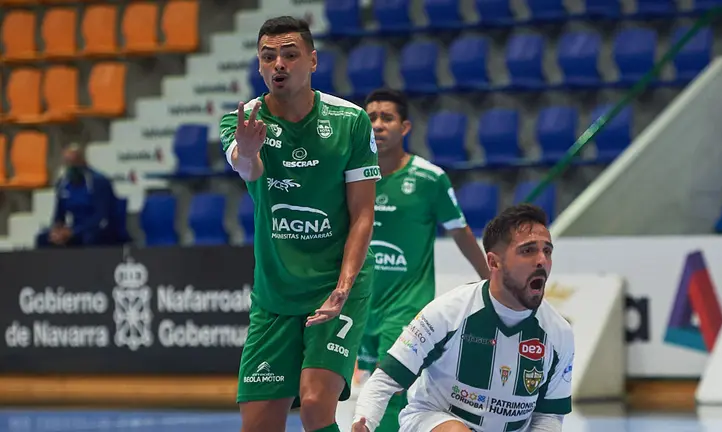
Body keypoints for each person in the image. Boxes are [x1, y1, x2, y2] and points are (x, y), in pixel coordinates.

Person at [218, 16, 381, 432]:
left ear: (312, 60)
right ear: (258, 66)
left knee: (313, 404)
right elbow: (247, 168)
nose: (279, 64)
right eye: (268, 56)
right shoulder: (243, 121)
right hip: (276, 294)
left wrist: (343, 287)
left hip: (336, 286)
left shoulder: (350, 121)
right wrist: (248, 152)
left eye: (290, 55)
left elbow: (363, 212)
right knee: (258, 425)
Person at [351, 204, 575, 432]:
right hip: (435, 419)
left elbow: (549, 415)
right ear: (493, 262)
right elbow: (386, 379)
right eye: (528, 251)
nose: (542, 261)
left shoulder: (559, 333)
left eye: (547, 251)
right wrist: (364, 422)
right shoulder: (448, 311)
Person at [355, 88, 491, 431]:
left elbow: (460, 231)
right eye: (371, 117)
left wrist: (493, 282)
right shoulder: (355, 176)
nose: (378, 124)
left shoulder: (430, 178)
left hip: (406, 304)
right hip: (362, 301)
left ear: (405, 127)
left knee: (391, 386)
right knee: (369, 385)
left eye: (387, 117)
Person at [36, 144, 122, 248]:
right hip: (74, 229)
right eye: (67, 163)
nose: (70, 167)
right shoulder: (63, 184)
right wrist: (57, 231)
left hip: (98, 229)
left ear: (82, 161)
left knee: (89, 237)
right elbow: (59, 215)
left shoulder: (98, 181)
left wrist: (73, 232)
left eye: (73, 162)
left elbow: (101, 218)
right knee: (43, 238)